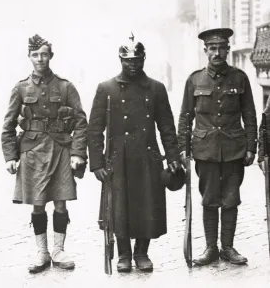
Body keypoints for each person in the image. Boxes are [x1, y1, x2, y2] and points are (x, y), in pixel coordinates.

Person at [87, 34, 180, 272]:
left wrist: (172, 157)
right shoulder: (106, 89)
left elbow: (167, 127)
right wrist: (97, 163)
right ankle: (123, 255)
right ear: (120, 60)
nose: (133, 64)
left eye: (137, 59)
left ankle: (142, 253)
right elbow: (95, 129)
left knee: (146, 205)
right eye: (127, 60)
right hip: (118, 159)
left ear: (144, 59)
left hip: (148, 156)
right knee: (119, 208)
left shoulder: (156, 89)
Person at [1, 34, 88, 273]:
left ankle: (59, 251)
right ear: (29, 57)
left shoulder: (65, 86)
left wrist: (78, 152)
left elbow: (81, 121)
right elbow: (8, 124)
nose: (40, 59)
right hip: (31, 151)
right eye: (36, 55)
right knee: (37, 205)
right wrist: (10, 156)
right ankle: (42, 252)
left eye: (44, 54)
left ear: (51, 55)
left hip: (60, 148)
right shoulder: (20, 88)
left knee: (60, 202)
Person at [178, 28, 257, 266]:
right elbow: (185, 117)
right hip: (205, 149)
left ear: (228, 50)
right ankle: (211, 248)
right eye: (212, 48)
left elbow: (249, 114)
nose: (217, 53)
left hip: (234, 148)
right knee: (210, 198)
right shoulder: (194, 80)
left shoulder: (240, 78)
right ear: (205, 51)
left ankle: (228, 248)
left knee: (231, 198)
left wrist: (251, 146)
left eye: (222, 48)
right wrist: (184, 147)